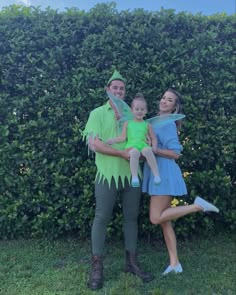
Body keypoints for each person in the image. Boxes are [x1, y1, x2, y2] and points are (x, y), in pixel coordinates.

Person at [83, 70, 154, 290]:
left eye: (122, 88)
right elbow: (95, 144)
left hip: (131, 175)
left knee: (131, 218)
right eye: (115, 87)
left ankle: (131, 263)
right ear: (108, 90)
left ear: (125, 92)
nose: (118, 91)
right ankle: (97, 267)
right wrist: (122, 154)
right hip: (107, 175)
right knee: (102, 217)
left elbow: (143, 140)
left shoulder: (133, 116)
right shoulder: (97, 113)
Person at [142, 88, 219, 275]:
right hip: (157, 172)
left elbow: (175, 153)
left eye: (169, 100)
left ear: (174, 106)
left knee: (155, 217)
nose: (164, 101)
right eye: (163, 98)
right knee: (164, 220)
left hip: (164, 174)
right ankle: (175, 263)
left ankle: (196, 207)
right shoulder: (154, 121)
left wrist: (154, 148)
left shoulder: (168, 124)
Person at [107, 93, 161, 187]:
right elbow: (122, 137)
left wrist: (154, 146)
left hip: (143, 145)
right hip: (132, 146)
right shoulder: (128, 123)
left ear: (146, 111)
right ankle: (135, 177)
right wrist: (113, 140)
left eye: (142, 109)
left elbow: (153, 138)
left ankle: (156, 175)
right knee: (134, 153)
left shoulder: (147, 125)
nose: (139, 111)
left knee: (148, 150)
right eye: (137, 109)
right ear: (132, 110)